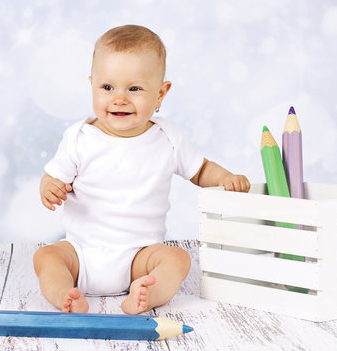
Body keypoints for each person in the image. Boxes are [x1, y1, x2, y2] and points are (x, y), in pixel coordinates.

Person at [33, 25, 250, 315]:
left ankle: (148, 292)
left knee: (177, 259)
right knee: (47, 256)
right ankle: (64, 293)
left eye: (134, 89)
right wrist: (49, 188)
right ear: (92, 85)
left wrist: (225, 179)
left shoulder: (168, 138)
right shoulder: (79, 137)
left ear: (161, 93)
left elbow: (201, 170)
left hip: (140, 256)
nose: (119, 98)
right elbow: (54, 176)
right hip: (81, 253)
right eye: (107, 87)